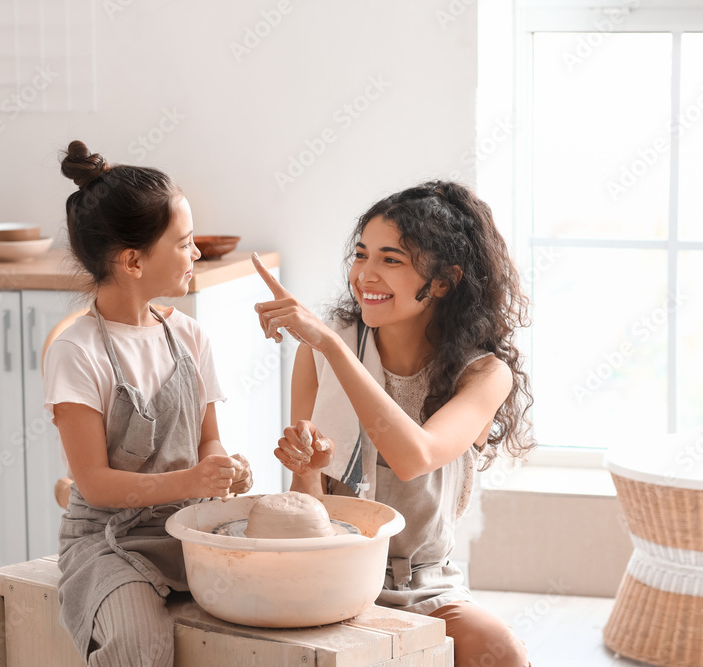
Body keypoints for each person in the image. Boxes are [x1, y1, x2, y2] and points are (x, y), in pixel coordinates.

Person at [251, 180, 534, 667]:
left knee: (501, 651)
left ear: (443, 282)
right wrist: (308, 467)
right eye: (362, 255)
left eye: (391, 260)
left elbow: (414, 457)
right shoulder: (316, 355)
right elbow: (306, 509)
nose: (365, 275)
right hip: (331, 573)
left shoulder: (485, 374)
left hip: (424, 585)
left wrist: (333, 347)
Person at [43, 140, 253, 667]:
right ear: (133, 260)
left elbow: (208, 437)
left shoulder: (190, 336)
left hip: (192, 526)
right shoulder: (77, 351)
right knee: (140, 646)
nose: (196, 254)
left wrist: (220, 467)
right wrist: (190, 482)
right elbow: (93, 483)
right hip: (110, 541)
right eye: (183, 244)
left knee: (276, 601)